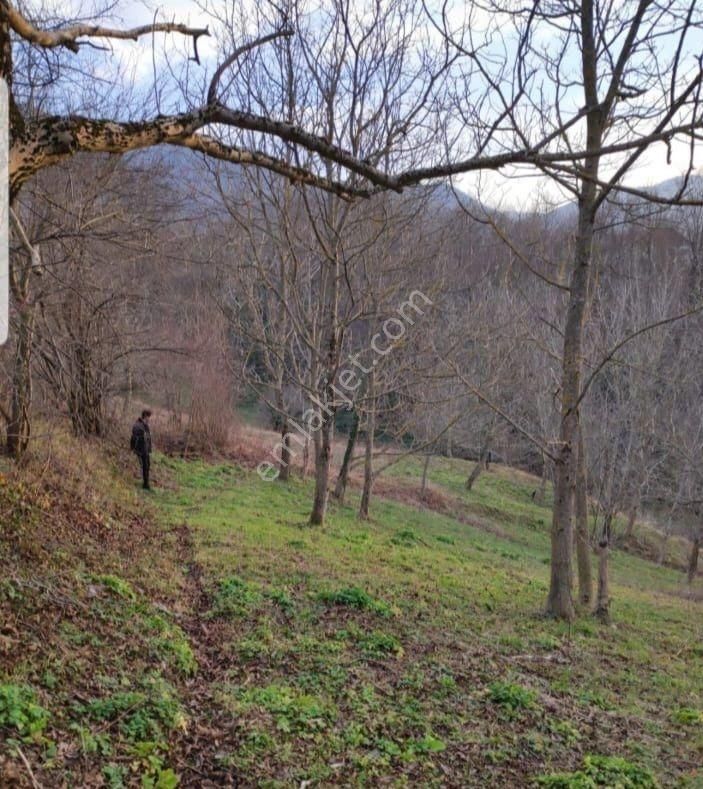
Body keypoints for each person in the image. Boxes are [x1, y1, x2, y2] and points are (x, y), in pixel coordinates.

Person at [130, 409, 153, 490]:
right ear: (145, 416)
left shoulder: (145, 425)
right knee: (145, 466)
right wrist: (133, 448)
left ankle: (146, 483)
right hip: (141, 450)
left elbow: (148, 438)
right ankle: (146, 484)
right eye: (149, 417)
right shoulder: (138, 425)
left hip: (146, 450)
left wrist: (149, 449)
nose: (149, 419)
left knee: (147, 465)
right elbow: (134, 438)